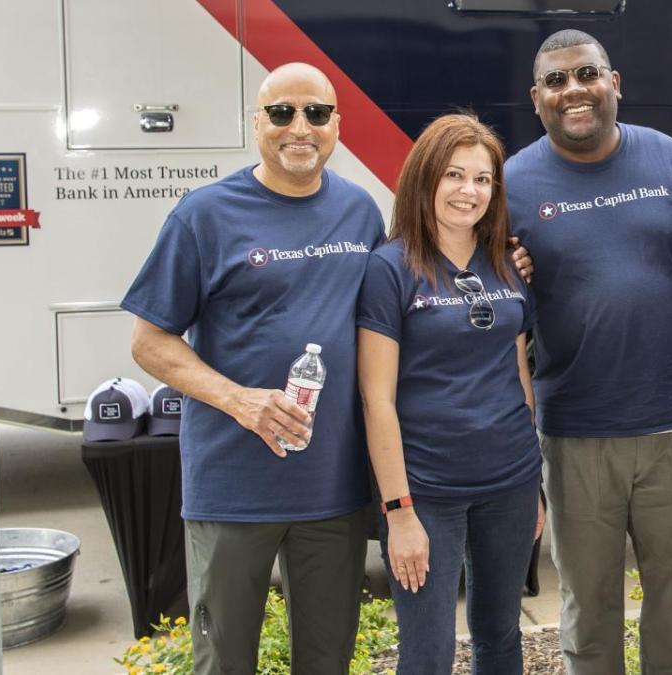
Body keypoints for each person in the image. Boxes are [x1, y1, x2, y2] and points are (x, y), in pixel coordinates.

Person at [123, 64, 533, 674]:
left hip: (333, 487)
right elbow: (149, 341)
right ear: (256, 122)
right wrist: (239, 400)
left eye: (316, 113)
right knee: (225, 656)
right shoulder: (204, 215)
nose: (300, 128)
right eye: (282, 112)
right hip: (235, 483)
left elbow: (418, 301)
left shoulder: (357, 210)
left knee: (326, 656)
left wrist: (506, 264)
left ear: (336, 124)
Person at [504, 29, 672, 675]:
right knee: (588, 607)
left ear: (615, 82)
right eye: (557, 81)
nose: (575, 90)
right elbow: (503, 316)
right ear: (536, 96)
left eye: (587, 73)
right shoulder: (512, 183)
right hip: (574, 434)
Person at [357, 113, 544, 675]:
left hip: (509, 483)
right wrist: (399, 512)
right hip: (427, 492)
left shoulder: (506, 264)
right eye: (455, 176)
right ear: (425, 180)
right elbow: (377, 399)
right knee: (427, 652)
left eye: (483, 179)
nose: (469, 191)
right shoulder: (389, 269)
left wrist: (533, 484)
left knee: (500, 635)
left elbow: (519, 374)